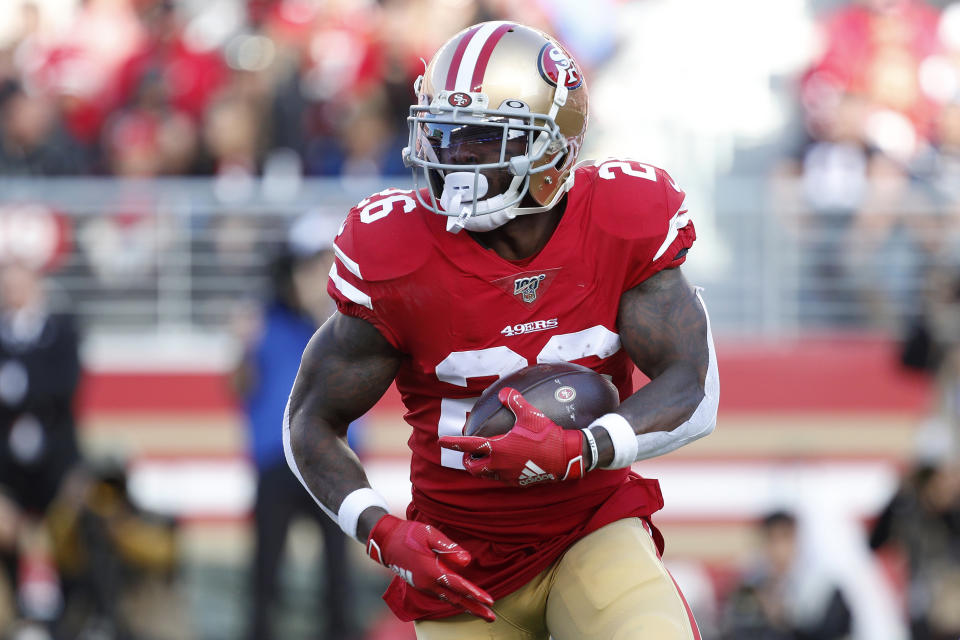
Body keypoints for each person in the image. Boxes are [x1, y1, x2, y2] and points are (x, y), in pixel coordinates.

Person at [284, 21, 719, 639]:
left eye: (480, 140)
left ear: (554, 146)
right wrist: (380, 530)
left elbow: (694, 388)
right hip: (456, 560)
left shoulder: (621, 218)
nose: (450, 158)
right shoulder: (395, 252)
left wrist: (579, 450)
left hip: (588, 529)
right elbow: (309, 419)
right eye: (442, 133)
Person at [231, 213, 359, 640]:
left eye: (327, 264)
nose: (318, 277)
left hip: (335, 455)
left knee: (337, 571)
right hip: (275, 457)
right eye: (311, 266)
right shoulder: (262, 319)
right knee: (266, 566)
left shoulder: (352, 320)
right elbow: (238, 387)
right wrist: (241, 346)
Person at [0, 259, 83, 637]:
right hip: (8, 465)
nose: (12, 292)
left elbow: (65, 386)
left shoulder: (61, 329)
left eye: (19, 284)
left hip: (57, 459)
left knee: (72, 524)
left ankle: (78, 616)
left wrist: (23, 385)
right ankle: (21, 615)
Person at [721, 511, 852, 640]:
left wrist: (786, 619)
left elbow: (833, 631)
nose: (778, 548)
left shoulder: (823, 589)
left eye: (785, 538)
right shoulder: (750, 587)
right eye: (771, 539)